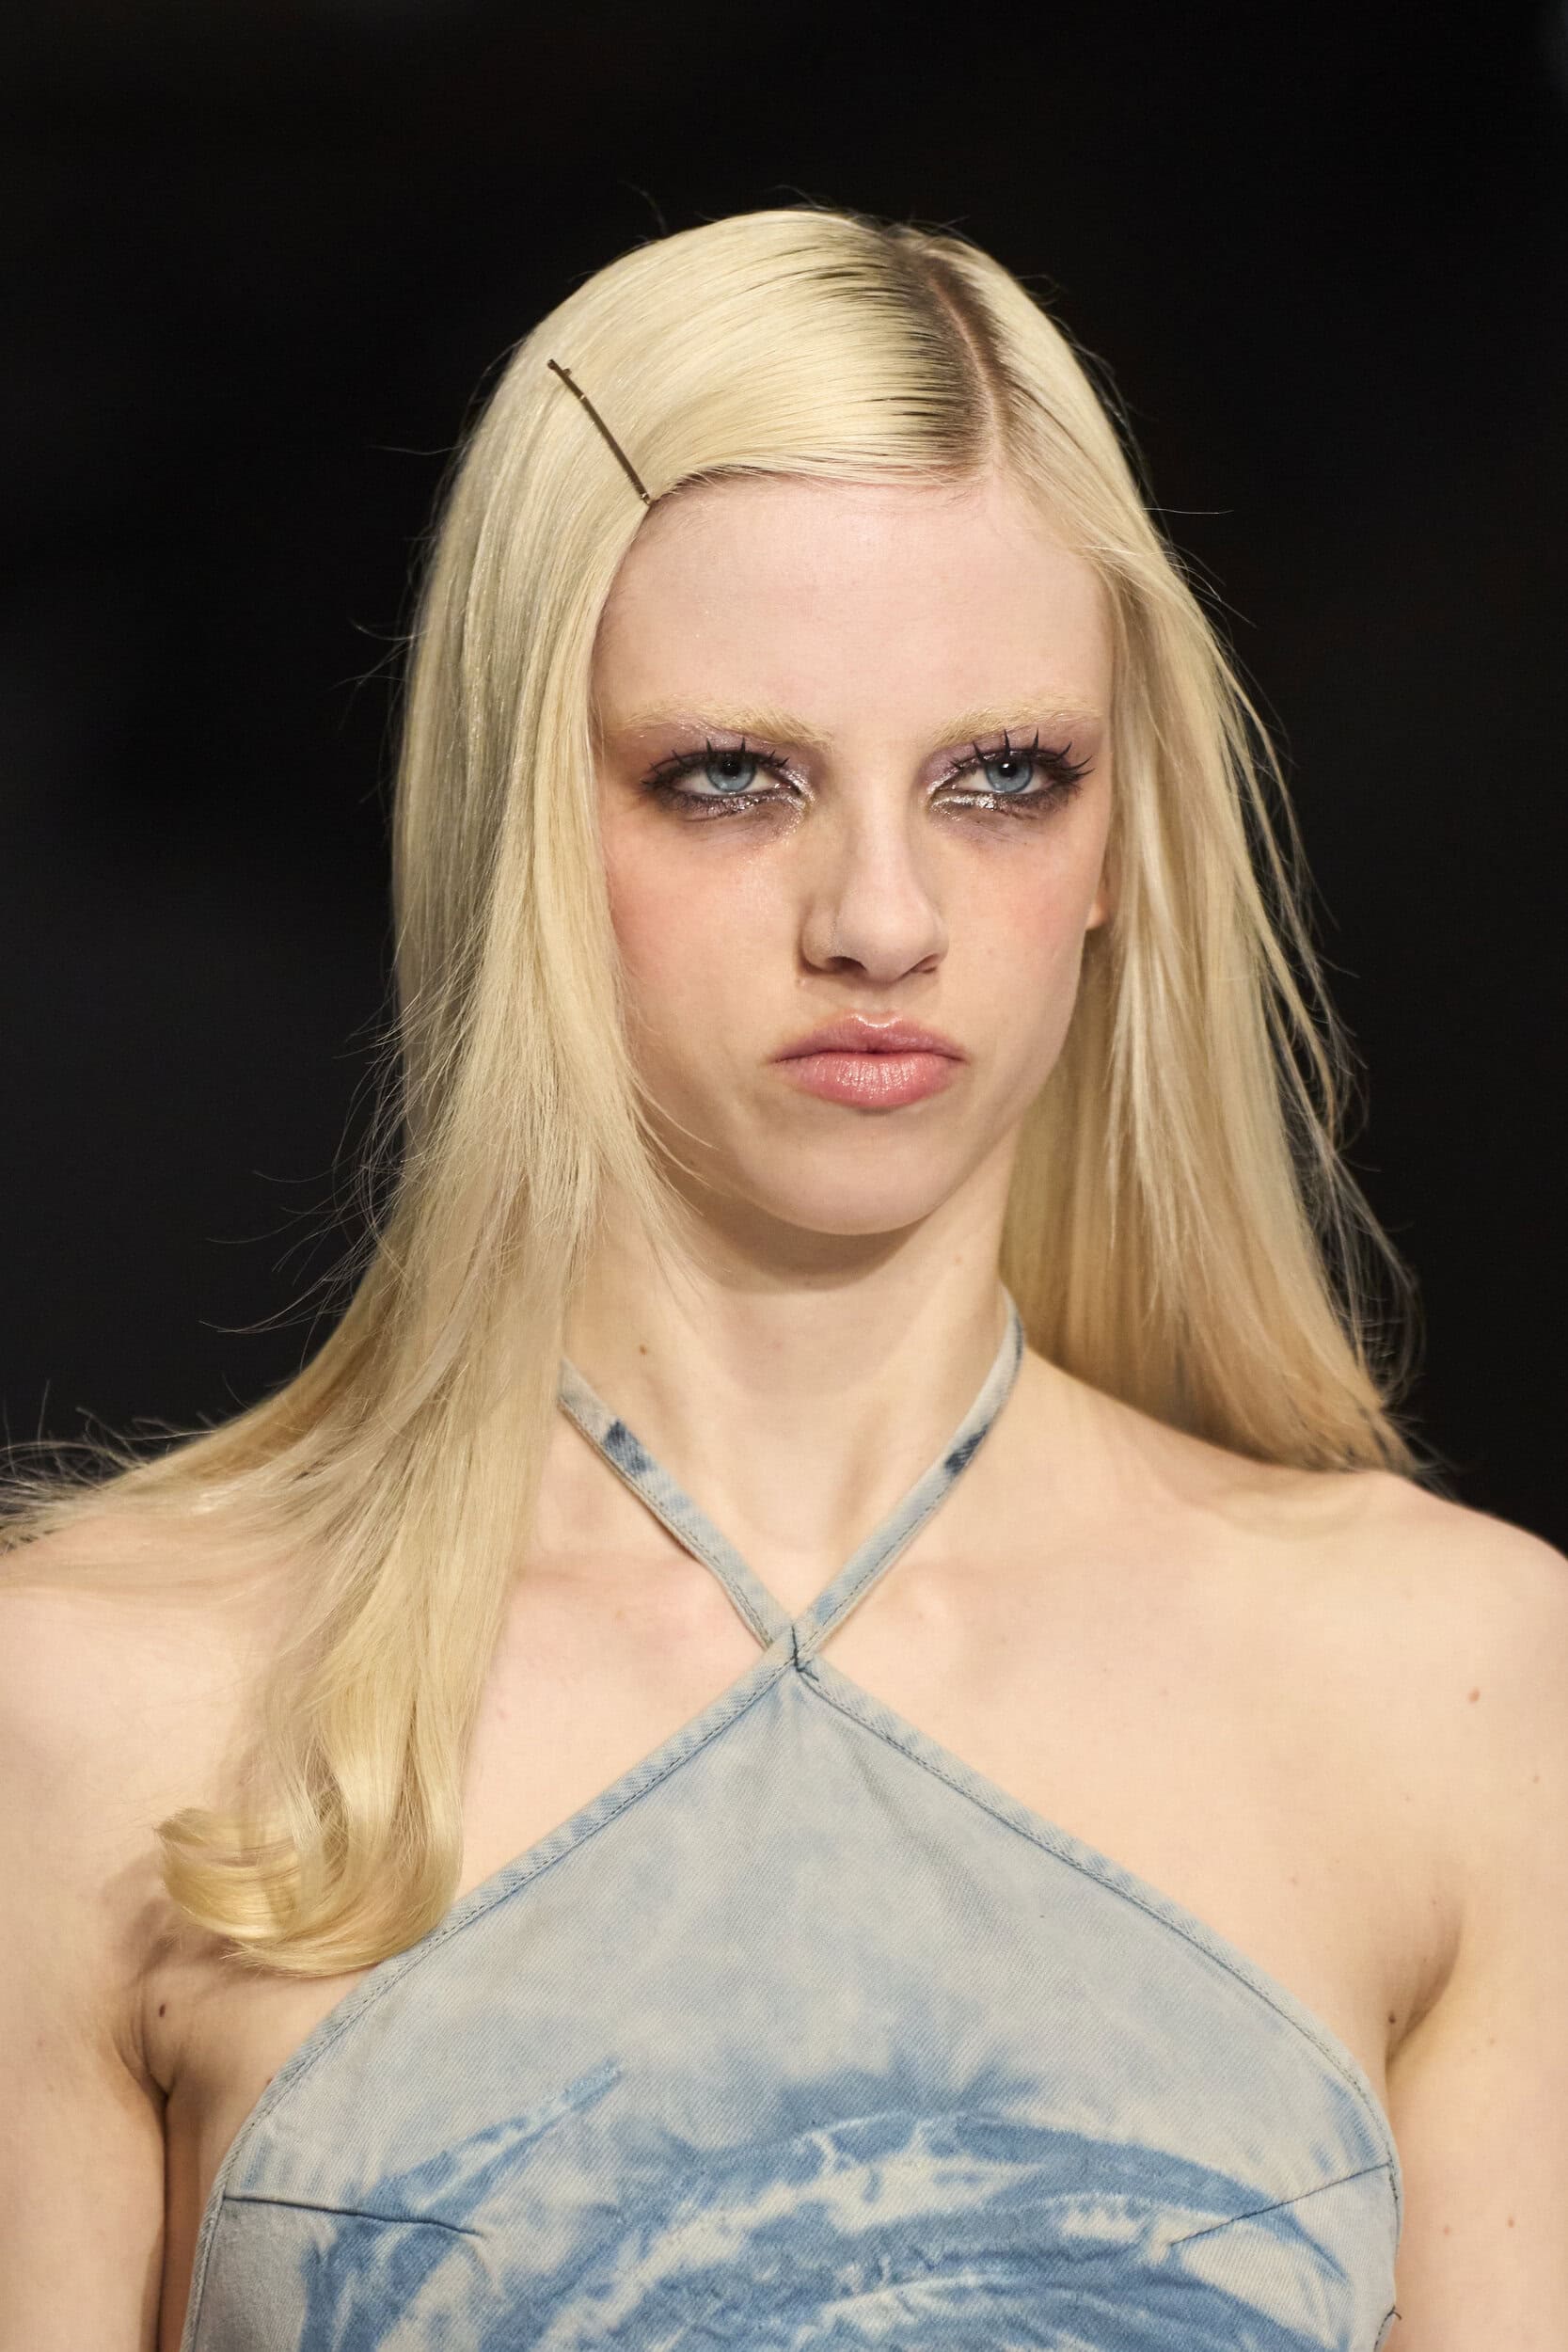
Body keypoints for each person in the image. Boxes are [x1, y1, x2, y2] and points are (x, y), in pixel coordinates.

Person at [2, 205, 1563, 2352]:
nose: (883, 919)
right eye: (731, 778)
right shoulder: (100, 1712)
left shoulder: (1450, 1693)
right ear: (523, 822)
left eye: (1003, 778)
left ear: (1124, 840)